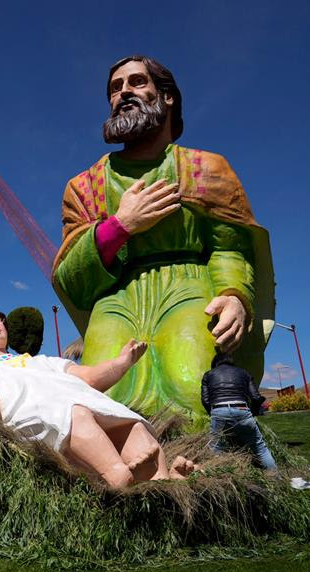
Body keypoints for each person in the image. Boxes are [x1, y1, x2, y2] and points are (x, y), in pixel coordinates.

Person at [51, 56, 275, 427]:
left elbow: (230, 247)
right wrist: (120, 225)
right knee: (102, 399)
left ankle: (202, 476)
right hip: (116, 298)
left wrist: (235, 295)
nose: (123, 92)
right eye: (114, 88)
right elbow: (73, 280)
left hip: (190, 288)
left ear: (167, 97)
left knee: (192, 388)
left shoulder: (205, 169)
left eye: (136, 82)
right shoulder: (84, 187)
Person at [0, 293, 197, 489]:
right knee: (75, 413)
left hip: (81, 406)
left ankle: (162, 481)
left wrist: (122, 363)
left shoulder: (42, 361)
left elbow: (90, 378)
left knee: (126, 420)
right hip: (51, 420)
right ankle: (117, 477)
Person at [201, 353, 276, 470]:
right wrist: (253, 412)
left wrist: (213, 414)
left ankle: (222, 478)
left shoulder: (208, 375)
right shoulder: (243, 372)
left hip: (219, 410)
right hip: (242, 409)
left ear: (215, 363)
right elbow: (256, 397)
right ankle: (276, 478)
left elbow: (205, 400)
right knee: (260, 448)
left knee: (216, 448)